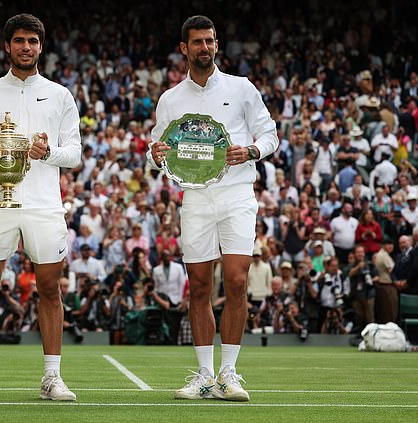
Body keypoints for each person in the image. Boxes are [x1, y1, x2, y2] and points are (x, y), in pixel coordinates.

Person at [0, 14, 81, 402]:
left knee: (50, 290)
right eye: (20, 41)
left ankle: (52, 378)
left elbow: (74, 153)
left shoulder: (60, 95)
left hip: (44, 204)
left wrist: (49, 152)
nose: (27, 47)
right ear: (7, 46)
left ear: (42, 46)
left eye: (33, 41)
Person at [148, 16, 278, 402]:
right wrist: (156, 155)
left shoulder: (241, 88)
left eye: (210, 41)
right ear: (184, 48)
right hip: (196, 199)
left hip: (238, 192)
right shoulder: (170, 99)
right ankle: (204, 375)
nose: (205, 47)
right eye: (197, 42)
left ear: (217, 45)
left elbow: (270, 134)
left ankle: (229, 373)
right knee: (200, 286)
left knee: (237, 281)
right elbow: (159, 151)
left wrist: (252, 150)